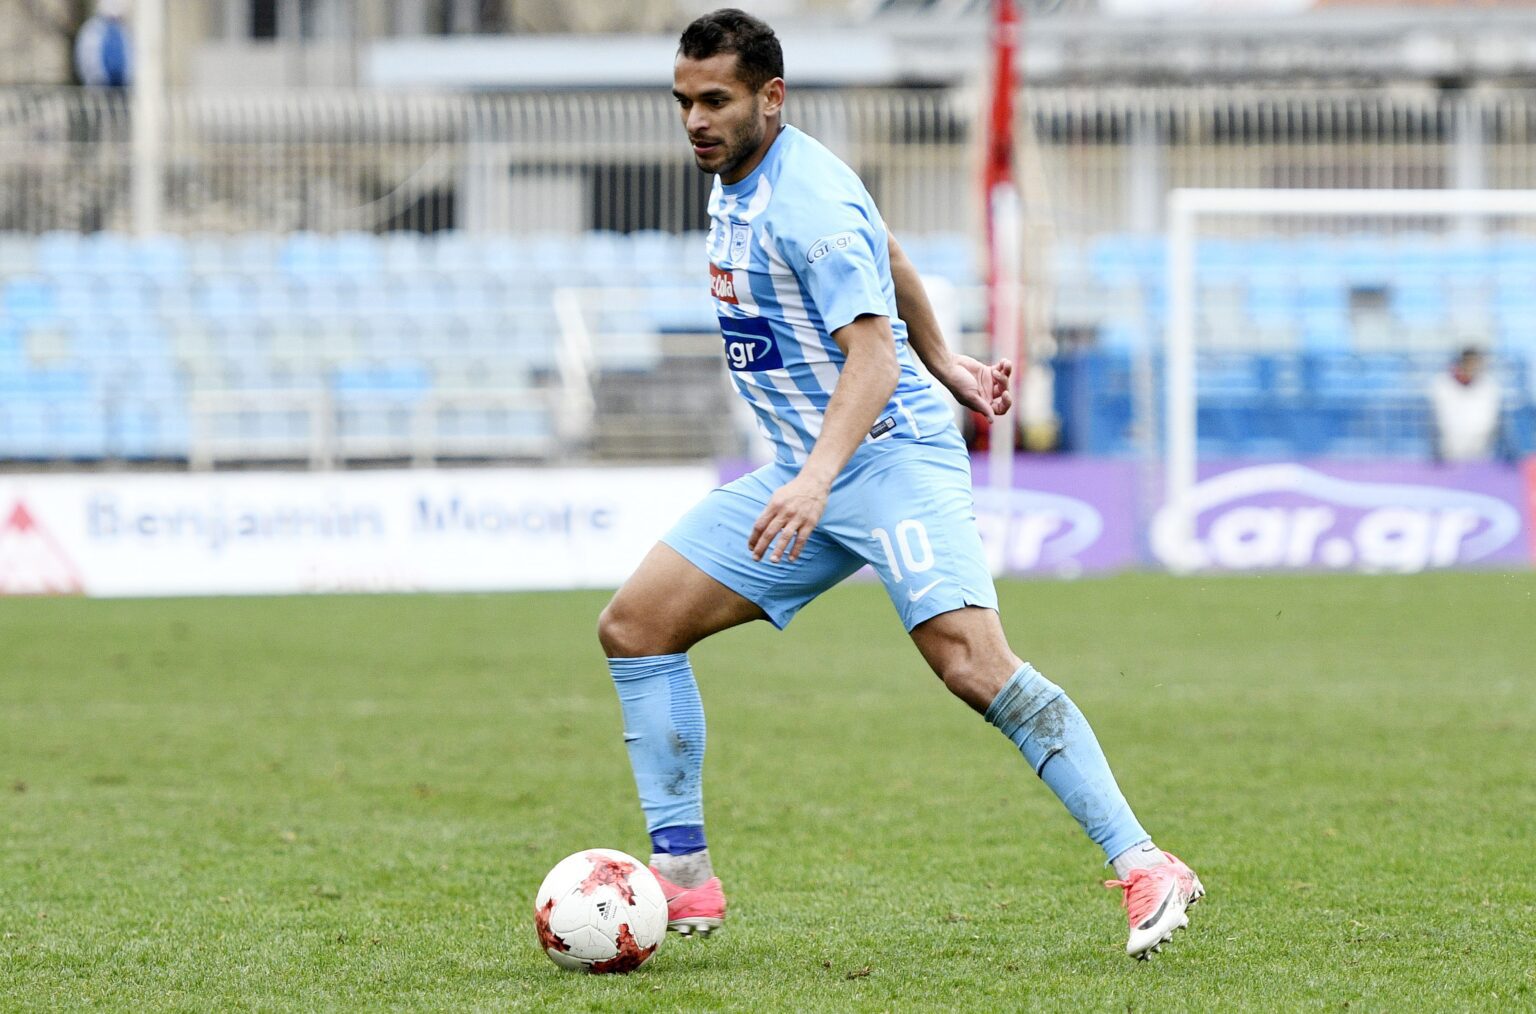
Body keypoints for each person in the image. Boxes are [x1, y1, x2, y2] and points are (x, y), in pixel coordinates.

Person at [597, 8, 1202, 960]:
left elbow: (871, 358)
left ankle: (1146, 864)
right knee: (637, 628)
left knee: (972, 664)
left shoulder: (806, 204)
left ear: (771, 97)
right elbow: (893, 254)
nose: (696, 121)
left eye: (715, 101)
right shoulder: (745, 175)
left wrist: (830, 466)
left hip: (886, 459)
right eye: (684, 102)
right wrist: (949, 358)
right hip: (810, 468)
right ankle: (681, 877)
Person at [1429, 346, 1503, 463]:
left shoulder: (1489, 384)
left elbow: (1490, 415)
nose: (1474, 367)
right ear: (1463, 362)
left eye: (1477, 363)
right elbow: (1440, 415)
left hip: (1481, 444)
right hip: (1451, 443)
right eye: (1471, 363)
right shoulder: (1442, 382)